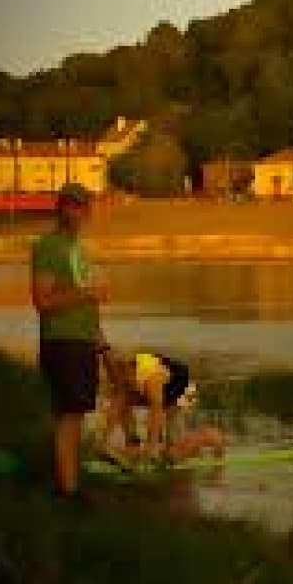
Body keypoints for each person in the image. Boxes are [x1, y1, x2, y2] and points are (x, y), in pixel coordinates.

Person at [31, 183, 108, 498]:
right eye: (70, 205)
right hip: (62, 341)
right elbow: (42, 301)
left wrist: (103, 345)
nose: (76, 211)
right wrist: (88, 293)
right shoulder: (49, 246)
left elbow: (87, 303)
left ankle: (70, 483)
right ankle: (68, 492)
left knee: (75, 415)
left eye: (81, 206)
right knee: (68, 415)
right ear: (59, 208)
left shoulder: (78, 248)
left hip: (83, 341)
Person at [99, 351, 224, 466]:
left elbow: (156, 411)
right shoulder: (122, 379)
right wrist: (104, 441)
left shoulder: (152, 378)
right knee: (123, 400)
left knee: (173, 455)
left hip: (181, 392)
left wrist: (152, 448)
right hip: (165, 388)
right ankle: (135, 445)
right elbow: (117, 408)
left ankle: (211, 437)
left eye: (126, 380)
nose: (123, 383)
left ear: (131, 371)